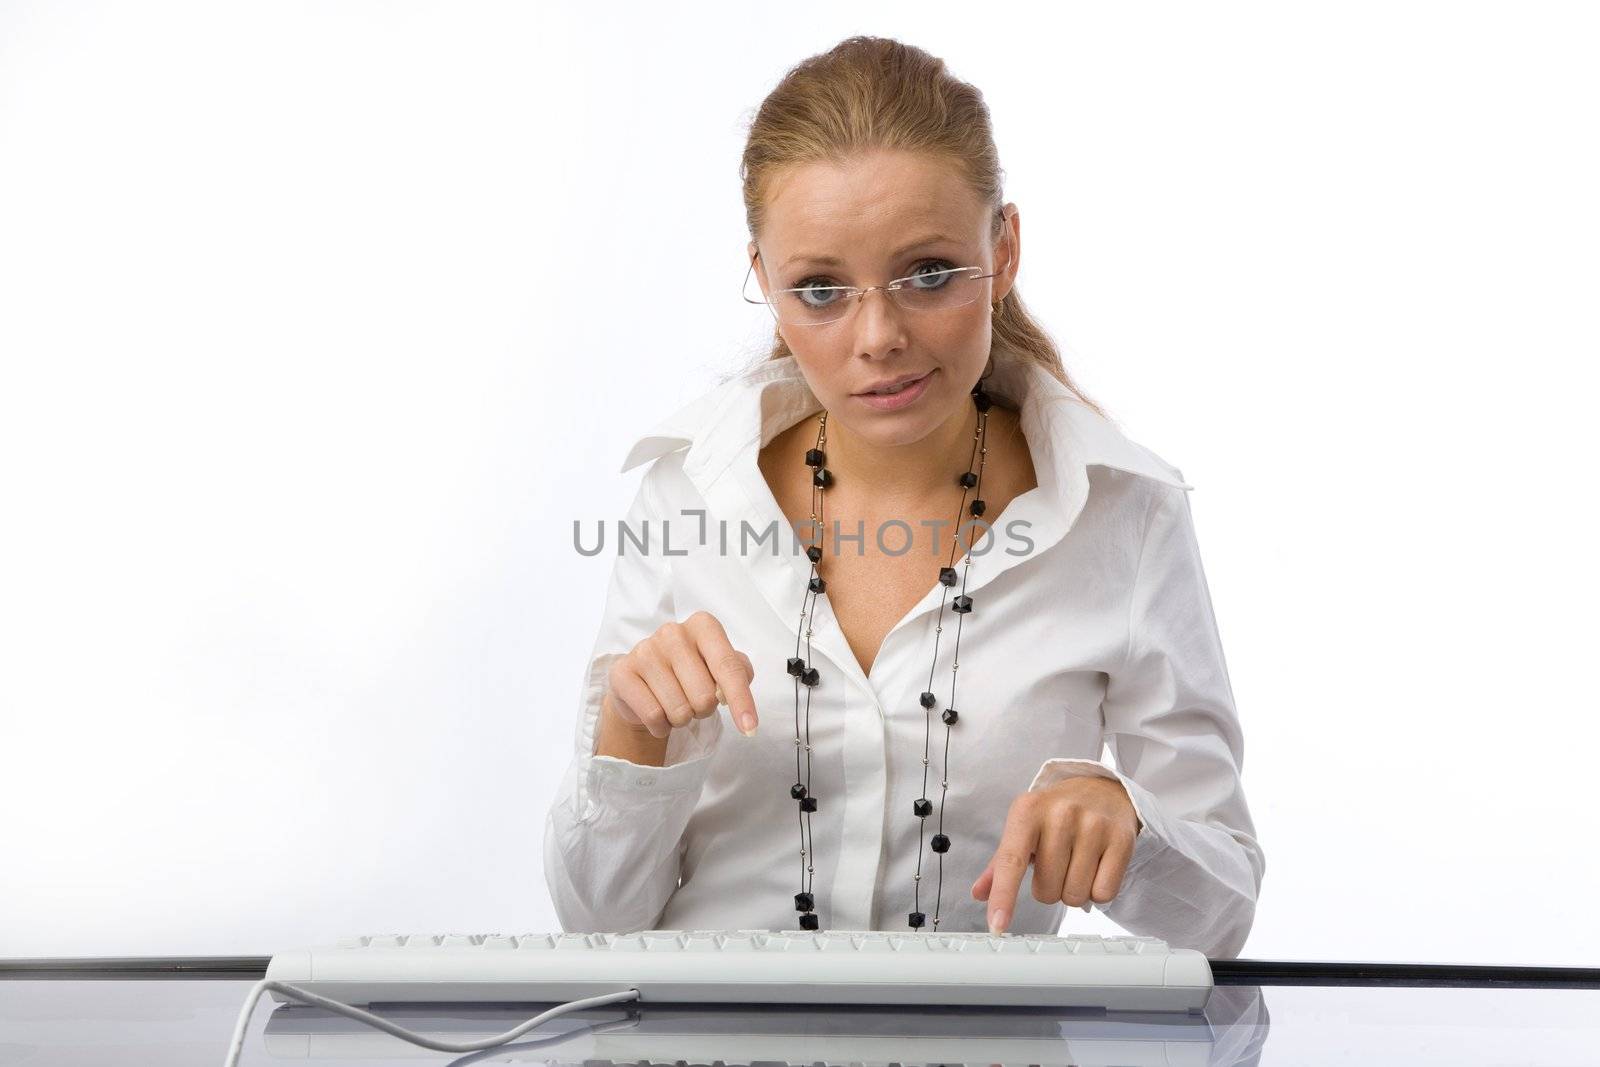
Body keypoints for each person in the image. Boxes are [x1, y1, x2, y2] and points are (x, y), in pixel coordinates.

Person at [543, 35, 1264, 958]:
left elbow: (1224, 912)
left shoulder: (1126, 516)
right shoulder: (686, 493)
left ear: (1002, 250)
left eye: (929, 274)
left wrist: (1132, 828)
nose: (878, 335)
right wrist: (632, 737)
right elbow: (595, 923)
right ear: (764, 280)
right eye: (819, 289)